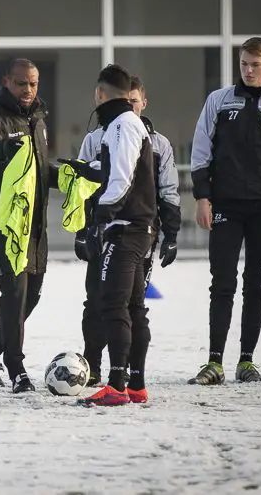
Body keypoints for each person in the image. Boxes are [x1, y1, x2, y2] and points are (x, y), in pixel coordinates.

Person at [189, 37, 261, 385]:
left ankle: (247, 362)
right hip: (225, 205)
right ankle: (215, 362)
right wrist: (203, 197)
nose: (249, 71)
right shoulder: (218, 101)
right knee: (222, 283)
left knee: (256, 285)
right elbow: (200, 150)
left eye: (255, 64)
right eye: (244, 64)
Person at [65, 75, 180, 402]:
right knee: (133, 307)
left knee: (114, 306)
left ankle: (117, 386)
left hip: (126, 229)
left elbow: (122, 178)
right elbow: (117, 170)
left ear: (100, 93)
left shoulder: (123, 125)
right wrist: (85, 172)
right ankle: (136, 385)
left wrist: (102, 218)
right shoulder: (124, 126)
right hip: (137, 228)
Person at [0, 58, 59, 393]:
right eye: (21, 83)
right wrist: (2, 148)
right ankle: (16, 368)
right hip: (4, 225)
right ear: (7, 81)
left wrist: (71, 175)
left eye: (33, 83)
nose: (28, 90)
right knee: (14, 293)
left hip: (35, 224)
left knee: (31, 296)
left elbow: (39, 170)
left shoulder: (37, 119)